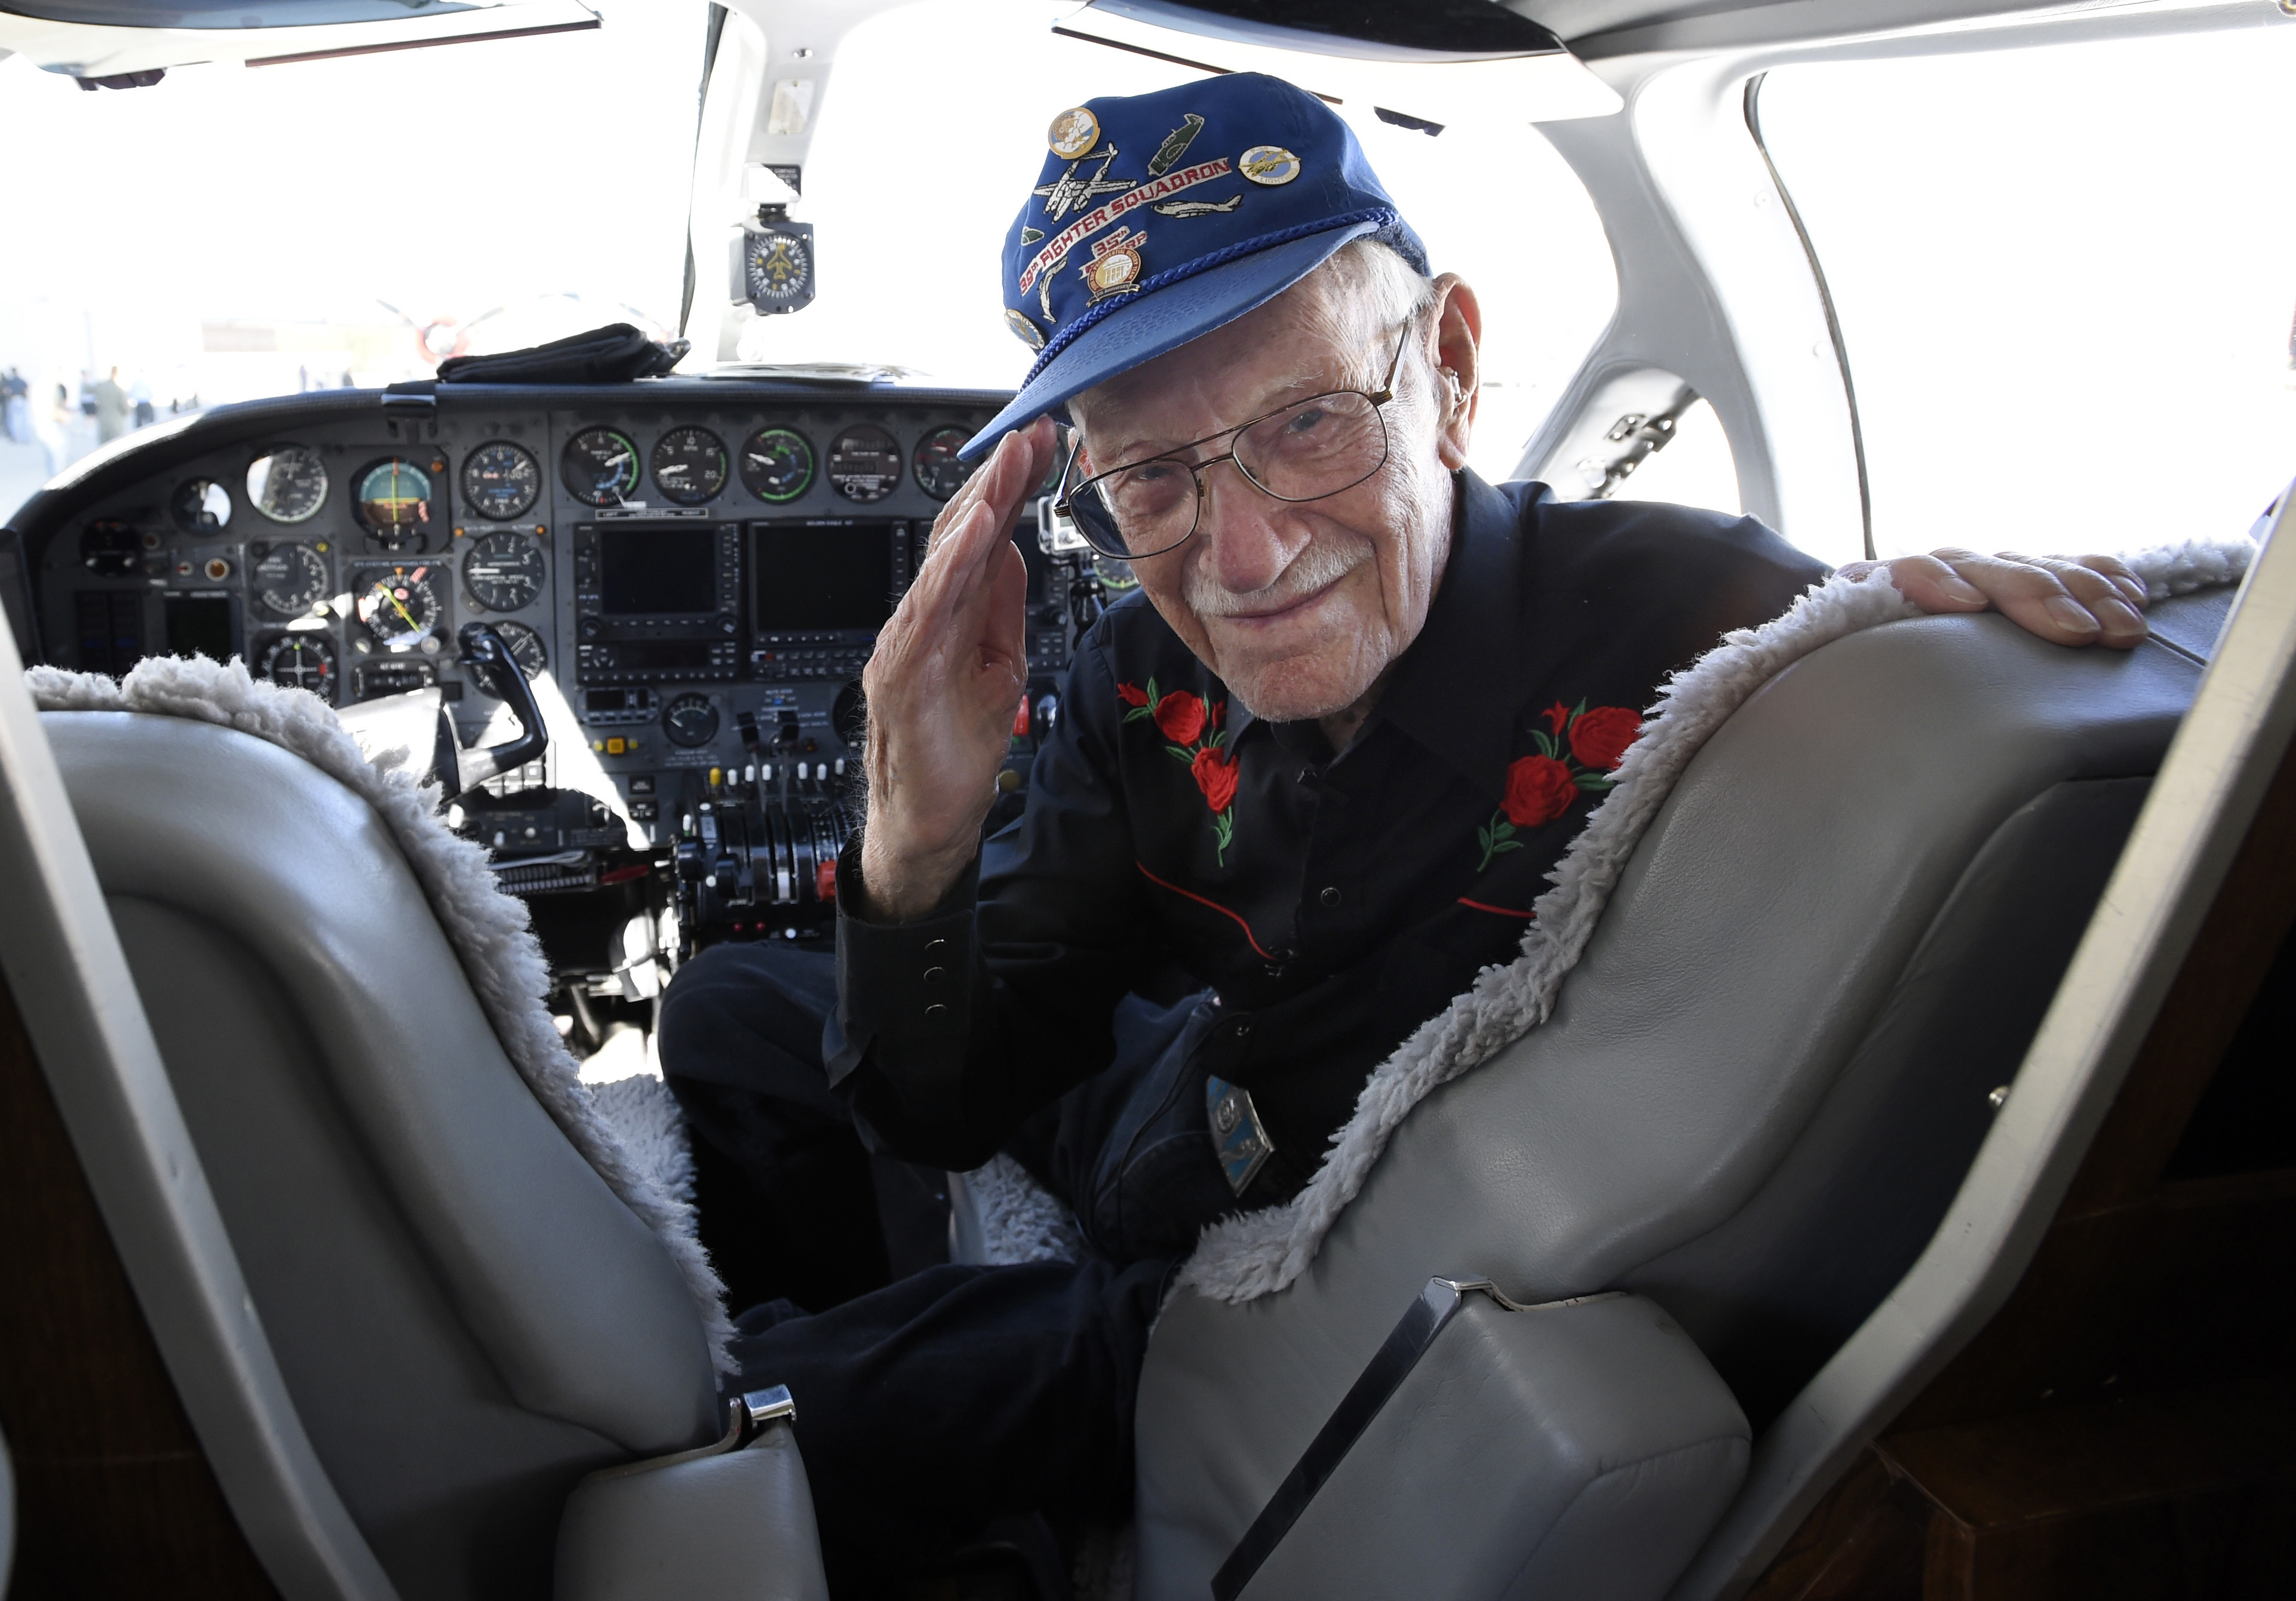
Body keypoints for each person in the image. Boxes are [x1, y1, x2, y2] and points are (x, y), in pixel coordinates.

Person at [659, 73, 2150, 1588]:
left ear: (1448, 366)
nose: (1239, 558)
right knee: (722, 1006)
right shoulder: (1136, 675)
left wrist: (1934, 653)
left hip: (1289, 1291)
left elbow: (1957, 797)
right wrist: (916, 833)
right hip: (1175, 1104)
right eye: (1151, 478)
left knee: (763, 1435)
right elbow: (955, 1101)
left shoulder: (1714, 638)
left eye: (1307, 423)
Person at [91, 367, 130, 444]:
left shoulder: (101, 387)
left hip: (103, 422)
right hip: (116, 423)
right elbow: (126, 410)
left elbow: (89, 390)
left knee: (104, 448)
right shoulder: (120, 391)